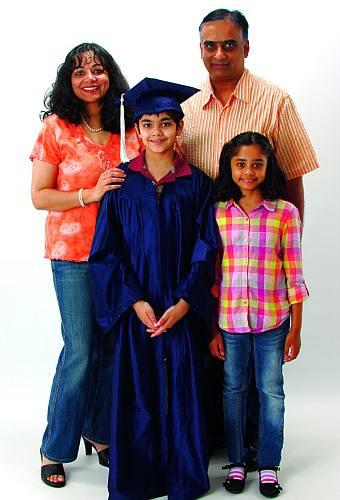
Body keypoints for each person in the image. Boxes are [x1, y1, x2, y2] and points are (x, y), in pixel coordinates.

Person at [181, 8, 319, 461]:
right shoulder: (188, 112)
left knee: (263, 373)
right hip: (208, 255)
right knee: (215, 356)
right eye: (209, 45)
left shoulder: (275, 101)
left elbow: (294, 177)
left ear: (246, 47)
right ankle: (221, 441)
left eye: (229, 44)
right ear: (200, 48)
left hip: (260, 253)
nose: (219, 53)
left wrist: (286, 243)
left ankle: (261, 448)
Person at [88, 78, 218, 500]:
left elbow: (206, 248)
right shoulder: (121, 183)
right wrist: (135, 300)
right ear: (137, 131)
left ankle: (182, 476)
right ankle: (139, 478)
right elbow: (106, 252)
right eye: (148, 124)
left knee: (181, 387)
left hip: (178, 307)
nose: (157, 132)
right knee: (138, 389)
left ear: (179, 129)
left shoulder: (197, 184)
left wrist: (184, 302)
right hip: (138, 310)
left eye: (166, 123)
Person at [30, 42, 140, 488]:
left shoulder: (126, 129)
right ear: (69, 81)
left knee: (112, 349)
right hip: (73, 254)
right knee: (80, 350)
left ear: (110, 76)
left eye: (98, 69)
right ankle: (55, 446)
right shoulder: (56, 128)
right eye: (80, 72)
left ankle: (99, 432)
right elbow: (40, 196)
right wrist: (88, 194)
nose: (90, 77)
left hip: (118, 257)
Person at [209, 131, 309, 497]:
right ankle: (236, 462)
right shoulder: (219, 213)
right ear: (229, 167)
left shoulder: (285, 213)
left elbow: (294, 276)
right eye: (240, 164)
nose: (248, 171)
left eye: (257, 164)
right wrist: (213, 329)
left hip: (272, 323)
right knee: (233, 389)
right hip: (230, 323)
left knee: (270, 392)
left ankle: (268, 464)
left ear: (268, 167)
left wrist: (295, 330)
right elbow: (214, 277)